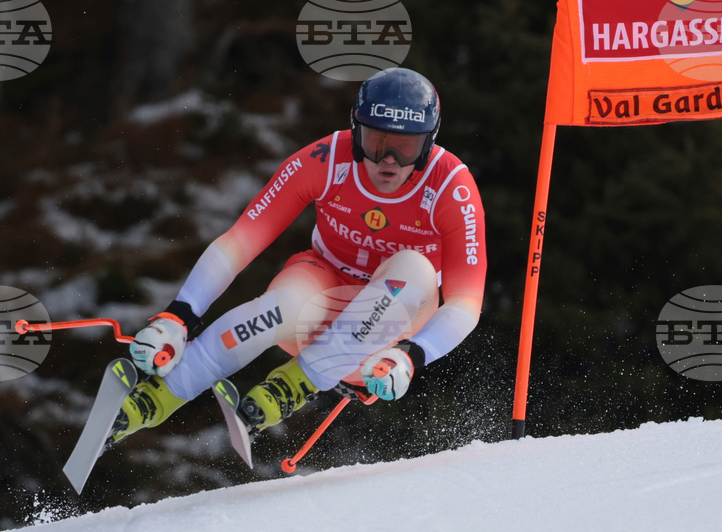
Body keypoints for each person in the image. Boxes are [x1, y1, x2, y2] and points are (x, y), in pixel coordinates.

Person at [109, 67, 487, 451]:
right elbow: (242, 239)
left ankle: (292, 387)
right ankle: (150, 401)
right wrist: (180, 314)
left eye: (406, 148)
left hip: (381, 346)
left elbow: (466, 302)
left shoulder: (450, 186)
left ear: (429, 144)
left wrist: (412, 355)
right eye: (376, 142)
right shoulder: (326, 159)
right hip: (319, 300)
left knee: (415, 268)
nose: (388, 160)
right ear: (355, 131)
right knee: (281, 306)